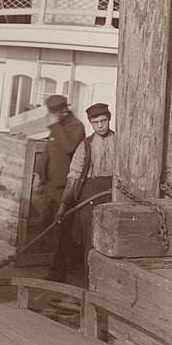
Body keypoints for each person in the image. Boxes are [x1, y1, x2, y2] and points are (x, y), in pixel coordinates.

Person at [33, 94, 87, 283]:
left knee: (61, 231)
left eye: (55, 113)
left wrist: (55, 126)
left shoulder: (76, 127)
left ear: (64, 111)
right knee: (46, 225)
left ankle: (58, 272)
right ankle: (73, 258)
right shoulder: (57, 127)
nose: (52, 116)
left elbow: (70, 148)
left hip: (66, 189)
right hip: (50, 187)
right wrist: (40, 176)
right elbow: (48, 152)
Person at [57, 103, 116, 272]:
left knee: (112, 239)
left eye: (103, 121)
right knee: (91, 241)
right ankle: (90, 282)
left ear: (109, 119)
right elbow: (73, 176)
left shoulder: (120, 142)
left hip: (113, 193)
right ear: (90, 122)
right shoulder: (86, 145)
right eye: (95, 122)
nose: (100, 125)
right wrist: (63, 205)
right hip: (89, 195)